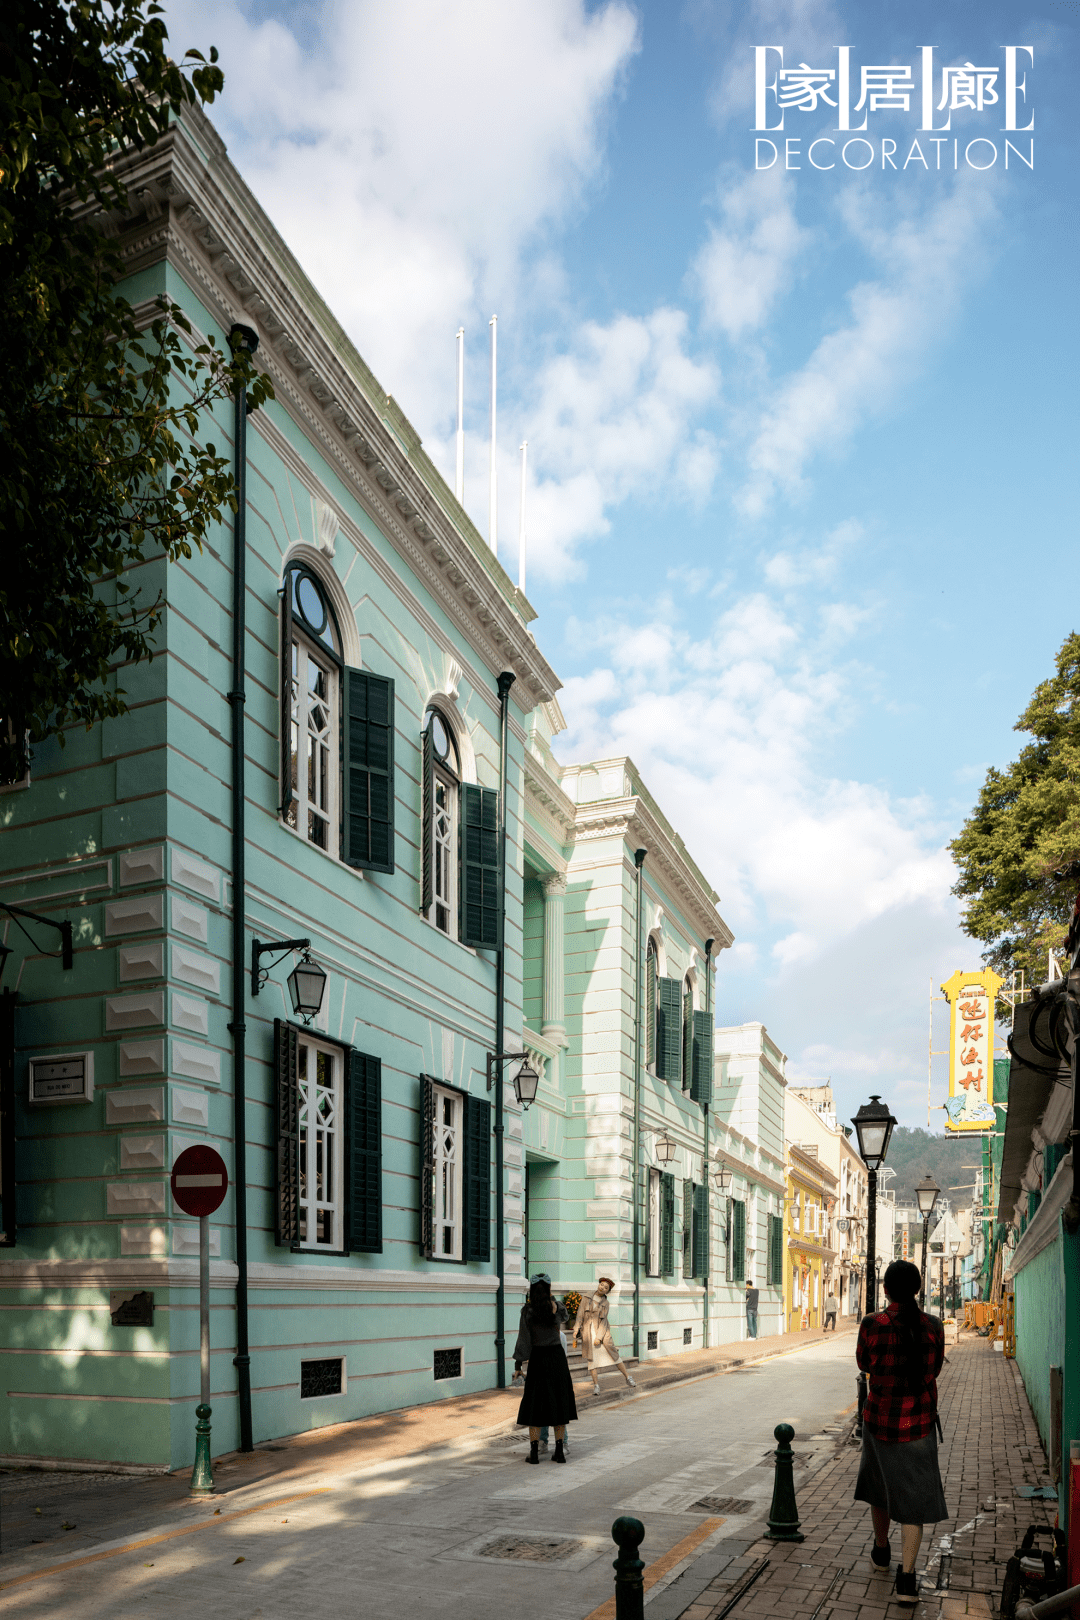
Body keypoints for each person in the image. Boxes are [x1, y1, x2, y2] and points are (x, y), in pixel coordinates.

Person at [854, 1259, 947, 1606]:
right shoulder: (934, 1325)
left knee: (879, 1486)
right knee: (914, 1502)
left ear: (886, 1289)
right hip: (918, 1424)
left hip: (880, 1422)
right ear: (918, 1289)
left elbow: (863, 1364)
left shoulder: (871, 1323)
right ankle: (907, 1580)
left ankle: (881, 1551)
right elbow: (934, 1369)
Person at [513, 1276, 577, 1463]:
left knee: (535, 1404)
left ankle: (534, 1452)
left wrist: (518, 1365)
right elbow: (565, 1318)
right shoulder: (557, 1307)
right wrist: (552, 1298)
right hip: (556, 1358)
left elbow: (523, 1340)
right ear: (549, 1290)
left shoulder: (527, 1311)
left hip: (538, 1359)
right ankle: (559, 1451)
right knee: (558, 1401)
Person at [572, 1277, 636, 1394]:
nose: (602, 1288)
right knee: (591, 1361)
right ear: (598, 1285)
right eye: (602, 1285)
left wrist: (599, 1337)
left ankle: (628, 1377)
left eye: (606, 1288)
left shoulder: (606, 1303)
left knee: (614, 1355)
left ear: (607, 1291)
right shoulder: (586, 1297)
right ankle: (596, 1385)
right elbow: (580, 1314)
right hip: (587, 1333)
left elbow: (604, 1322)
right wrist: (576, 1329)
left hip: (602, 1334)